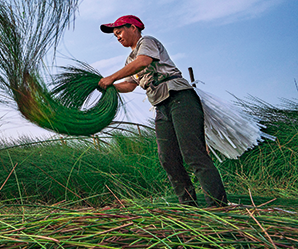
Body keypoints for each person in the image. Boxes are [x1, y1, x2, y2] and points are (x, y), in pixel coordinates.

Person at [97, 15, 227, 207]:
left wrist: (110, 77)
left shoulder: (146, 42)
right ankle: (188, 206)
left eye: (119, 32)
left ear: (133, 27)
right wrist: (108, 86)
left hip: (179, 97)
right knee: (168, 158)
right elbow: (130, 85)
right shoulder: (129, 59)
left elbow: (143, 62)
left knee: (193, 154)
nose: (117, 37)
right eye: (115, 35)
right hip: (161, 105)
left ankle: (218, 207)